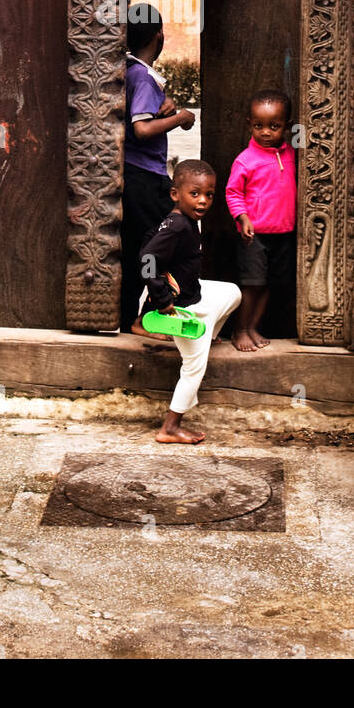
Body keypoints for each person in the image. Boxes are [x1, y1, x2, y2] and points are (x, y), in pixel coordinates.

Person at [133, 159, 241, 444]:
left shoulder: (179, 220)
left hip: (194, 292)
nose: (203, 201)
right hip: (182, 307)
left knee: (232, 292)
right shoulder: (178, 225)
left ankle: (208, 335)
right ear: (175, 194)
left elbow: (148, 241)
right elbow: (146, 259)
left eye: (209, 194)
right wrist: (162, 299)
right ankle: (170, 427)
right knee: (194, 367)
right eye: (195, 194)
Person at [120, 4, 195, 330]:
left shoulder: (127, 71)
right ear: (159, 36)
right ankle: (151, 314)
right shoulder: (143, 77)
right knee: (172, 242)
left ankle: (128, 320)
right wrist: (181, 118)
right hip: (145, 179)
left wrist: (164, 113)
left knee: (137, 247)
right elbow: (141, 129)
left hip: (134, 177)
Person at [225, 90, 297, 352]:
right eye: (258, 126)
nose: (265, 132)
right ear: (249, 124)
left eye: (274, 126)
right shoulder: (246, 160)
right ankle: (240, 329)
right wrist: (242, 218)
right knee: (252, 285)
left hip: (284, 234)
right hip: (254, 235)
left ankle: (253, 326)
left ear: (287, 127)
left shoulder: (291, 155)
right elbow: (233, 192)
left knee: (270, 285)